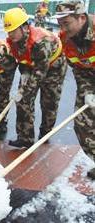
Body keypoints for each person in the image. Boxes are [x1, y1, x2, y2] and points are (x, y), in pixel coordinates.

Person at [3, 8, 67, 148]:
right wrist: (24, 75)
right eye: (9, 31)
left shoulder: (40, 42)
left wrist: (25, 90)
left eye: (13, 30)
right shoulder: (12, 41)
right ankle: (25, 137)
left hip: (53, 67)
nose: (10, 34)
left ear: (25, 27)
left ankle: (45, 133)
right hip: (33, 65)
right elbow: (22, 60)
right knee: (23, 101)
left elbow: (40, 73)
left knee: (49, 102)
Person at [53, 0, 95, 180]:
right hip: (89, 79)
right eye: (60, 24)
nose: (63, 29)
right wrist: (87, 92)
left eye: (67, 23)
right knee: (82, 122)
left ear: (81, 18)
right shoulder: (65, 39)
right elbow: (78, 68)